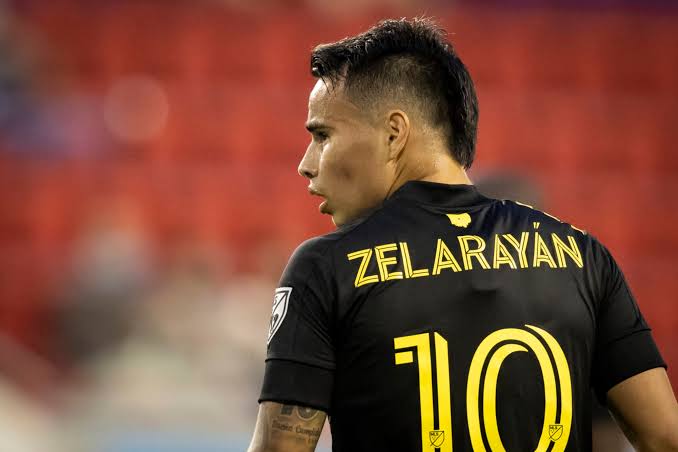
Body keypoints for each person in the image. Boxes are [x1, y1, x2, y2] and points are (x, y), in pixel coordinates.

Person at [247, 17, 678, 452]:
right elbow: (665, 436)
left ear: (394, 133)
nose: (306, 164)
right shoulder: (582, 256)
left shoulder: (327, 268)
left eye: (323, 135)